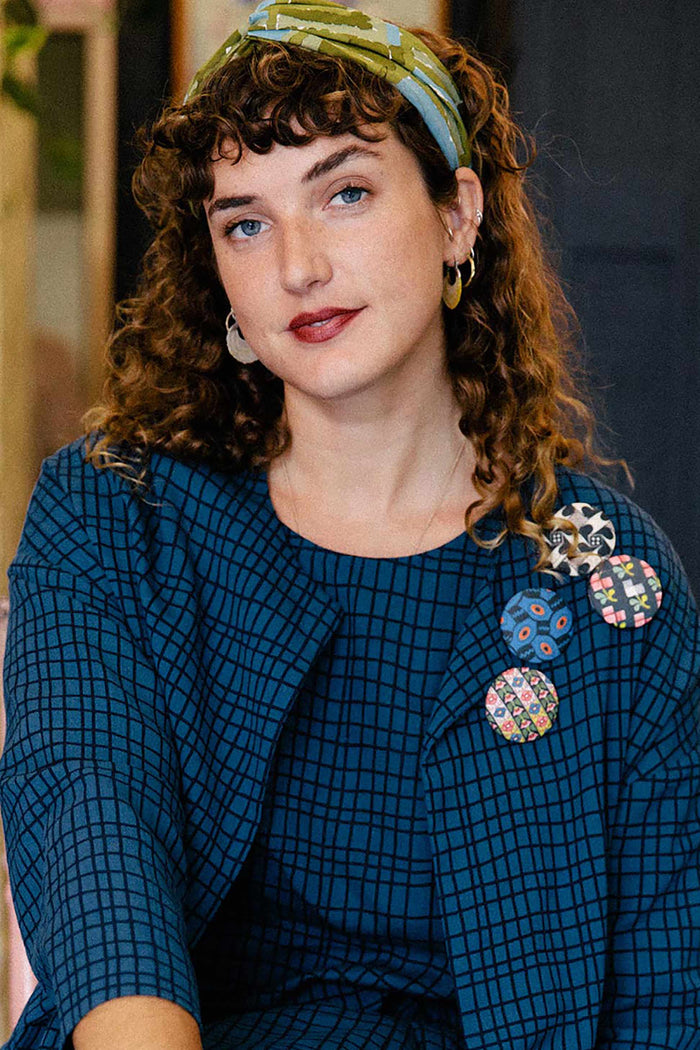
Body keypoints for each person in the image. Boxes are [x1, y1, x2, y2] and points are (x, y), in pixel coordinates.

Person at [1, 1, 698, 1048]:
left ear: (457, 215)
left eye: (346, 194)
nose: (297, 267)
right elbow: (96, 859)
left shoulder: (609, 587)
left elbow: (664, 995)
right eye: (245, 222)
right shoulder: (115, 517)